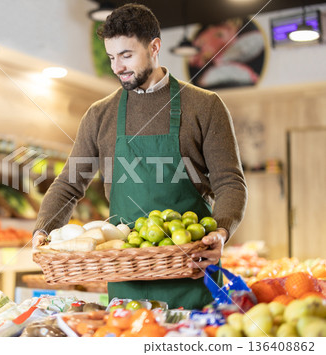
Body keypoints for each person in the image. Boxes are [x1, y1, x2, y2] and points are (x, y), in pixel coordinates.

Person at [33, 4, 247, 310]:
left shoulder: (205, 106)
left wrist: (222, 231)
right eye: (111, 57)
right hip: (125, 272)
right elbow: (69, 184)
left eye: (126, 55)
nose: (117, 67)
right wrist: (43, 228)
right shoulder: (99, 115)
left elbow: (230, 181)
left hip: (191, 268)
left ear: (154, 47)